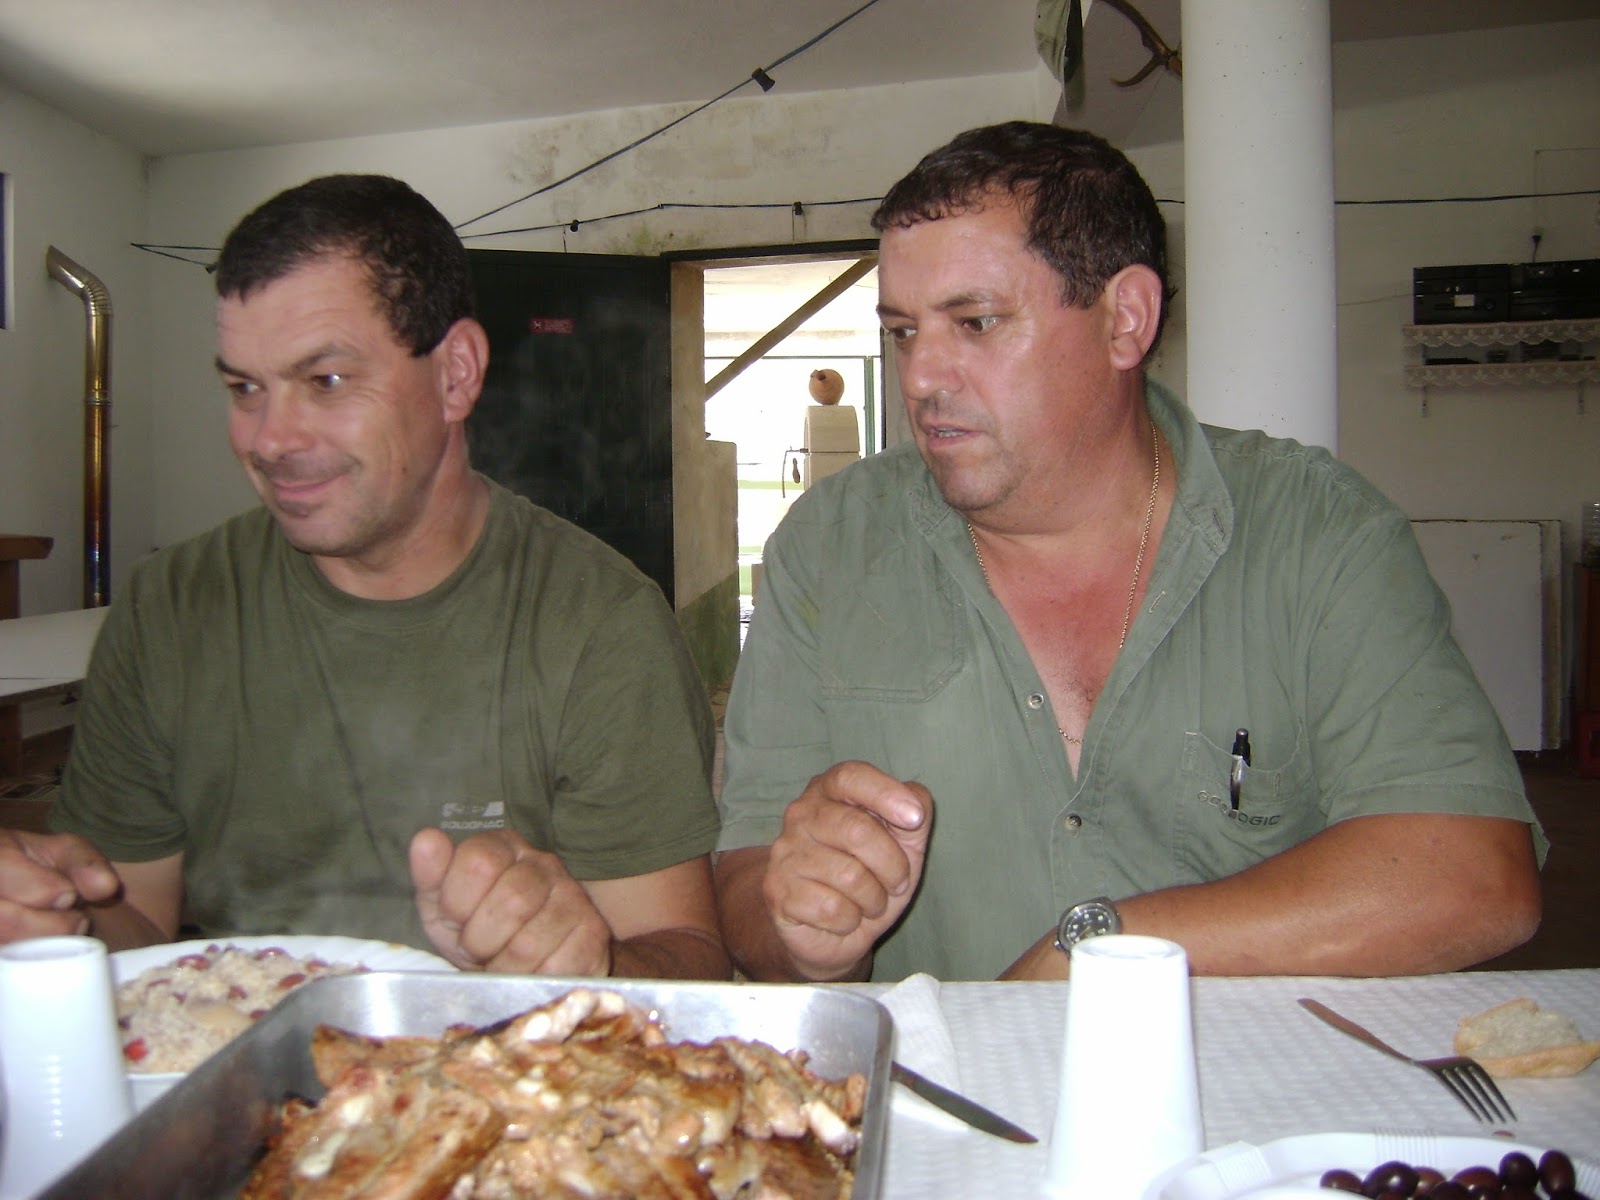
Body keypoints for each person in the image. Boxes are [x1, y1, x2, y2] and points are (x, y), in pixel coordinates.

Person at [713, 121, 1543, 984]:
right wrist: (804, 932)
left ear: (1125, 319)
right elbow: (743, 890)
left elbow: (1474, 875)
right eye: (903, 332)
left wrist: (1101, 952)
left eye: (977, 322)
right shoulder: (830, 548)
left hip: (1246, 1074)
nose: (921, 376)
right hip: (936, 1076)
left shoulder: (1316, 532)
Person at [0, 174, 729, 980]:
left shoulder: (598, 623)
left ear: (456, 374)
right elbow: (131, 925)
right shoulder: (169, 608)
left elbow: (688, 959)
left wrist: (597, 963)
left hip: (516, 1057)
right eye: (244, 388)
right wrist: (55, 918)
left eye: (326, 381)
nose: (270, 440)